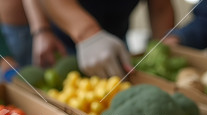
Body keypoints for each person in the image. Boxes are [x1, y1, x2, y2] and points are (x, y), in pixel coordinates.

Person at [40, 0, 175, 78]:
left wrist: (161, 52)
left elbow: (161, 9)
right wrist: (88, 34)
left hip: (117, 39)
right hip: (64, 42)